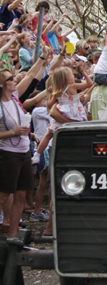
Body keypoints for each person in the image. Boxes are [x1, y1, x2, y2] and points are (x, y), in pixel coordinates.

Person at [0, 54, 47, 239]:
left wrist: (43, 59)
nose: (13, 79)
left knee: (20, 195)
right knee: (3, 195)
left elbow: (29, 77)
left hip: (23, 152)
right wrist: (13, 132)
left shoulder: (14, 98)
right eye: (9, 79)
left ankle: (12, 237)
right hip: (7, 153)